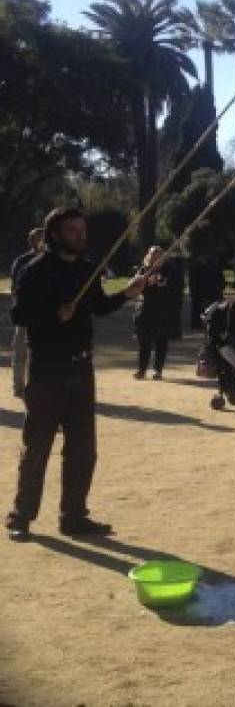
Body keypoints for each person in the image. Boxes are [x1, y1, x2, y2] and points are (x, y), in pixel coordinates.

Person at [4, 207, 146, 542]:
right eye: (73, 231)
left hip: (81, 369)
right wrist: (55, 314)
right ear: (55, 235)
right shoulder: (36, 271)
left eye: (82, 230)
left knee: (83, 448)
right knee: (37, 446)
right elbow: (19, 314)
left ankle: (74, 517)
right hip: (47, 371)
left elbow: (97, 305)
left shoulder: (86, 269)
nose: (81, 236)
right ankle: (21, 517)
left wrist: (127, 293)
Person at [133, 246, 184, 381]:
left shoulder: (171, 270)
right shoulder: (143, 270)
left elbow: (177, 286)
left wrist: (164, 282)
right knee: (144, 341)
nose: (156, 257)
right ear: (148, 256)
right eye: (153, 255)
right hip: (146, 310)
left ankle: (158, 370)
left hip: (164, 310)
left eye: (158, 255)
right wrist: (146, 282)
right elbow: (135, 287)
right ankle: (141, 369)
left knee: (161, 341)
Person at [10, 227, 45, 398]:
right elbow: (15, 289)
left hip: (46, 316)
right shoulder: (22, 262)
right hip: (26, 313)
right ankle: (18, 385)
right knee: (20, 351)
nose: (43, 242)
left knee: (42, 352)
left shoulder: (52, 261)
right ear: (32, 242)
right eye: (40, 239)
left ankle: (39, 385)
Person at [188, 254, 225, 329]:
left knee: (199, 307)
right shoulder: (215, 267)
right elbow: (221, 280)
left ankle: (198, 323)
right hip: (212, 291)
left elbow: (192, 280)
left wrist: (193, 290)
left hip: (201, 291)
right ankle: (214, 323)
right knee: (213, 307)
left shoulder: (196, 267)